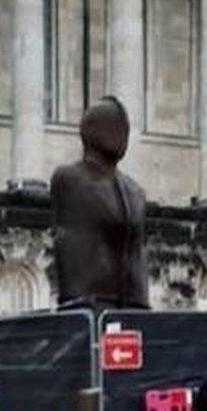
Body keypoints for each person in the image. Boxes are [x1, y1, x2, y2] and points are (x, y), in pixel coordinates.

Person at [50, 96, 149, 312]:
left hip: (134, 305)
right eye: (112, 127)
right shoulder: (71, 179)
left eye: (123, 129)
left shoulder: (134, 190)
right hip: (90, 304)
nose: (122, 135)